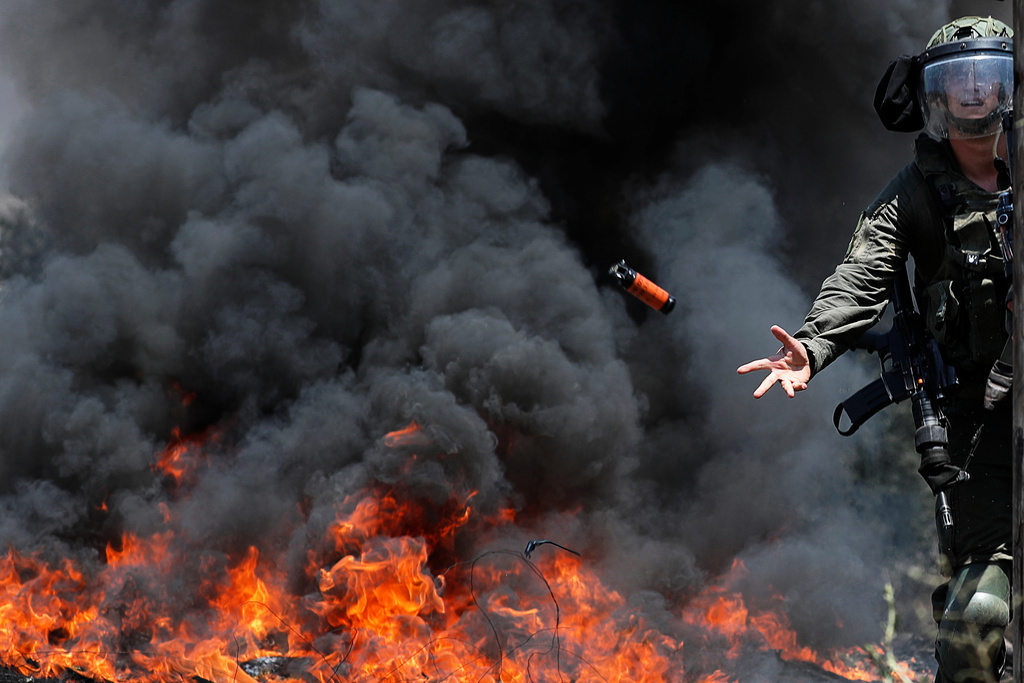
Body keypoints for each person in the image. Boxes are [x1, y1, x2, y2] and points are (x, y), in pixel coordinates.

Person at [737, 16, 1014, 683]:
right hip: (981, 430)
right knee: (973, 627)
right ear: (935, 96)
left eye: (988, 76)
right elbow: (861, 275)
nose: (974, 92)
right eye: (958, 79)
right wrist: (811, 347)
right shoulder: (915, 191)